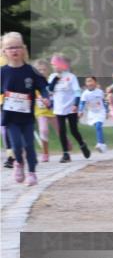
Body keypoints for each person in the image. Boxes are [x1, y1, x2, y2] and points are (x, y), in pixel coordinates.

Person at [1, 32, 51, 185]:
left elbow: (43, 87)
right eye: (10, 48)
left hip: (27, 117)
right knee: (16, 145)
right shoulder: (2, 72)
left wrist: (45, 96)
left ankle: (32, 172)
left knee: (29, 145)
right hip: (10, 117)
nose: (14, 51)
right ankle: (19, 163)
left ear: (23, 49)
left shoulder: (31, 71)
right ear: (4, 51)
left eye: (17, 47)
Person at [48, 53, 91, 163]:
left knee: (73, 130)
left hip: (71, 108)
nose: (55, 67)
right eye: (53, 65)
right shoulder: (52, 77)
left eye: (57, 64)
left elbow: (77, 92)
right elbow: (50, 90)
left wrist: (76, 105)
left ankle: (82, 144)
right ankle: (66, 154)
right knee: (62, 131)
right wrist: (55, 79)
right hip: (59, 109)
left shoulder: (71, 77)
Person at [79, 76, 108, 153]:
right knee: (98, 128)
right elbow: (82, 103)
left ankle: (100, 144)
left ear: (95, 82)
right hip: (92, 113)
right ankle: (103, 144)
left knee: (98, 126)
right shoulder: (85, 94)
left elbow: (104, 102)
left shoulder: (100, 92)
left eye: (91, 81)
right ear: (86, 83)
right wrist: (80, 111)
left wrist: (107, 111)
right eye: (87, 81)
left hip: (101, 111)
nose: (89, 83)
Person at [32, 58, 54, 162]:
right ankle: (45, 152)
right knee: (43, 130)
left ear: (48, 70)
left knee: (60, 131)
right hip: (40, 112)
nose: (41, 72)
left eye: (44, 69)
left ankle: (66, 145)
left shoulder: (51, 82)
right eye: (39, 70)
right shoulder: (33, 84)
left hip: (54, 112)